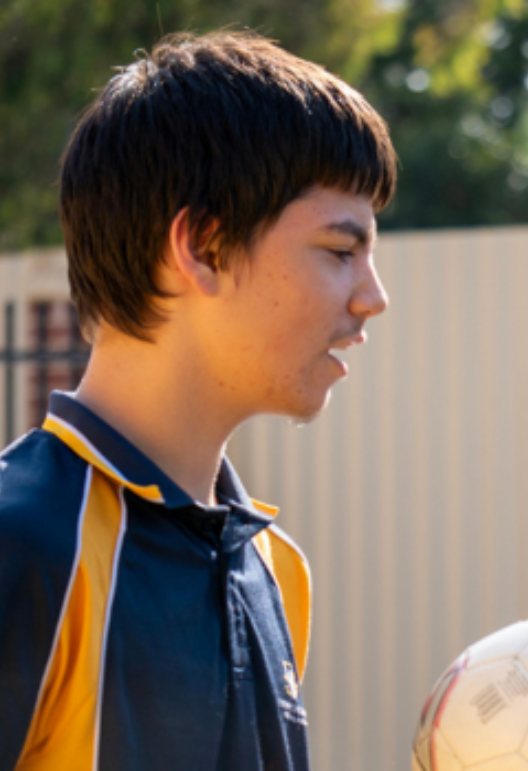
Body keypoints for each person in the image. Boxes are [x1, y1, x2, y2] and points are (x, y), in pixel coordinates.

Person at [0, 31, 395, 770]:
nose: (374, 298)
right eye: (342, 252)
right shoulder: (21, 544)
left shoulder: (276, 570)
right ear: (204, 247)